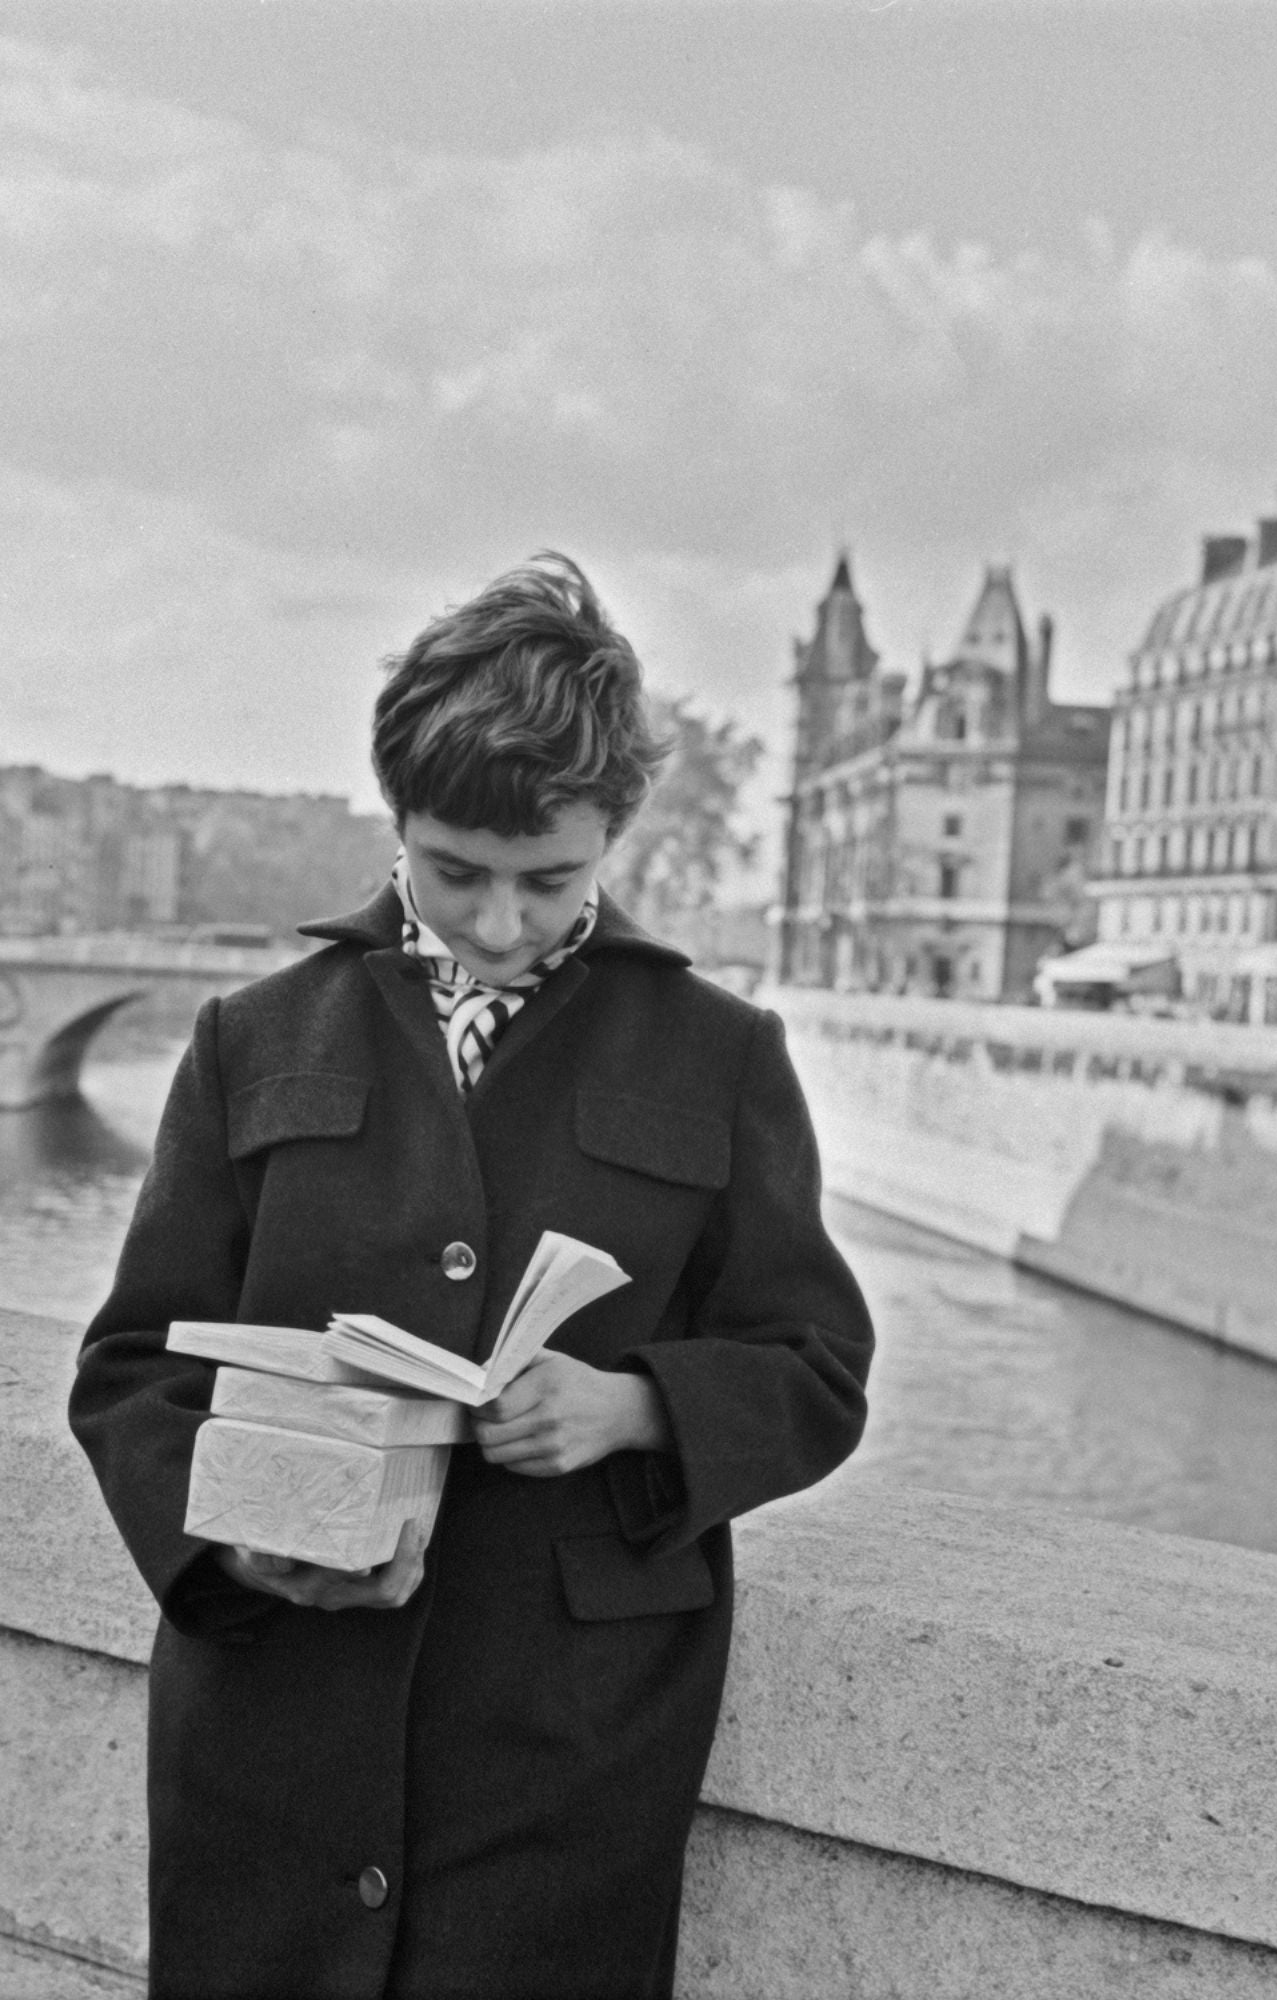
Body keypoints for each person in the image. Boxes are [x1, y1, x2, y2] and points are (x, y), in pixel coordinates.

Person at [70, 553, 874, 2000]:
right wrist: (234, 1545)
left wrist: (633, 1408)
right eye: (457, 873)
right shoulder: (249, 1039)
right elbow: (131, 1373)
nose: (501, 922)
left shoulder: (722, 1052)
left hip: (564, 1758)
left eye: (549, 879)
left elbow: (816, 1368)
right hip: (276, 1725)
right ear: (396, 825)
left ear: (616, 834)